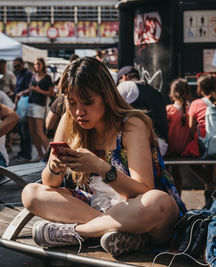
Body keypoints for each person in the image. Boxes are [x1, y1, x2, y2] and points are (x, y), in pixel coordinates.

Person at [21, 57, 186, 258]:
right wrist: (54, 167)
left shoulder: (131, 125)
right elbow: (50, 182)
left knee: (159, 202)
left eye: (88, 102)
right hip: (97, 205)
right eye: (72, 103)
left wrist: (101, 167)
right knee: (31, 193)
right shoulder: (69, 119)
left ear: (106, 96)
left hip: (140, 212)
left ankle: (78, 233)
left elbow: (143, 189)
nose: (79, 111)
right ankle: (118, 233)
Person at [117, 66, 169, 156]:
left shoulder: (126, 85)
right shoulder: (156, 92)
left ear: (123, 77)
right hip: (161, 146)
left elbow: (110, 108)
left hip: (142, 143)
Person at [26, 57, 54, 162]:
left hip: (39, 105)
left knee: (39, 131)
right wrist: (21, 93)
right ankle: (40, 154)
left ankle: (49, 155)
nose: (36, 66)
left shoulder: (47, 78)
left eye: (38, 64)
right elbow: (30, 89)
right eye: (35, 64)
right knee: (32, 131)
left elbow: (51, 93)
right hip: (30, 103)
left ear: (43, 65)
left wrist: (39, 90)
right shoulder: (33, 75)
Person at [13, 57, 33, 162]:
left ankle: (27, 154)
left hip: (24, 105)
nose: (16, 68)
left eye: (18, 66)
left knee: (25, 131)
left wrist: (21, 93)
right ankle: (23, 152)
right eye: (15, 66)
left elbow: (30, 88)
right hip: (19, 105)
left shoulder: (28, 74)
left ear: (23, 64)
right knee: (21, 130)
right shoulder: (19, 74)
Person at [166, 78, 192, 156]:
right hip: (186, 149)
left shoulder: (169, 109)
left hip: (171, 149)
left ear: (172, 94)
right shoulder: (191, 109)